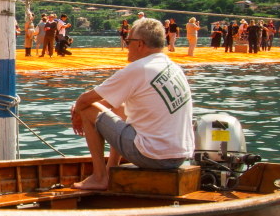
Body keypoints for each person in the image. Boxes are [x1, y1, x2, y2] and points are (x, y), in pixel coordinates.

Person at [69, 17, 194, 191]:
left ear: (140, 44)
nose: (127, 46)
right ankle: (111, 169)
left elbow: (84, 101)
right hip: (179, 155)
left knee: (88, 109)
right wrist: (81, 110)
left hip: (152, 156)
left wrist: (79, 114)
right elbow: (109, 102)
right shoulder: (173, 67)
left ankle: (99, 177)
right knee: (117, 103)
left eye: (128, 41)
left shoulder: (139, 68)